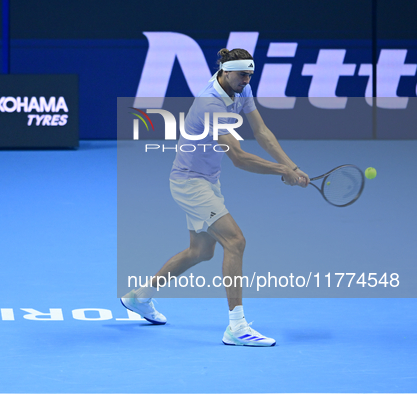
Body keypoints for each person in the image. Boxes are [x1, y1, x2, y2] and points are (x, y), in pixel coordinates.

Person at [121, 48, 310, 347]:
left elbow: (261, 132)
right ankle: (237, 327)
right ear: (224, 71)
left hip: (207, 180)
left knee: (200, 252)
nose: (246, 80)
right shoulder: (211, 103)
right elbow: (237, 156)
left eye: (250, 74)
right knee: (235, 241)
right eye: (241, 74)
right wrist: (281, 171)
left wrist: (293, 166)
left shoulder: (241, 88)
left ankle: (139, 297)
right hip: (189, 183)